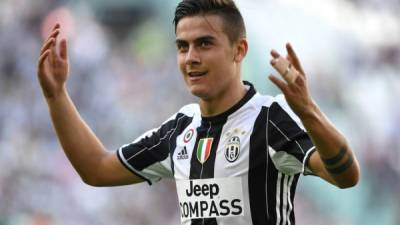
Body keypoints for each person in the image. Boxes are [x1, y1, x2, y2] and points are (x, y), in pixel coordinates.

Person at [37, 0, 360, 224]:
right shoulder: (179, 129)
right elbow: (96, 169)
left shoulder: (269, 119)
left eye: (204, 44)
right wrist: (56, 96)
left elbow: (346, 176)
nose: (190, 57)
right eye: (182, 46)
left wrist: (309, 112)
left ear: (239, 49)